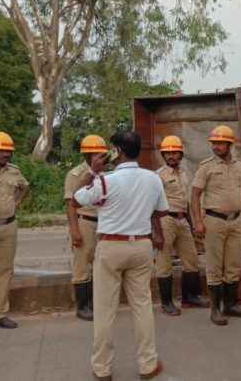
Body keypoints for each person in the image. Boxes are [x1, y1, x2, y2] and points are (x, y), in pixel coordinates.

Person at [72, 130, 167, 380]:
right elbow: (161, 211)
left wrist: (93, 171)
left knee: (105, 309)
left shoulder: (105, 181)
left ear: (118, 151)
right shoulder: (153, 178)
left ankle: (102, 368)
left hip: (111, 247)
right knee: (142, 306)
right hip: (141, 246)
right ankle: (147, 364)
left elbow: (77, 199)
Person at [191, 125, 241, 325]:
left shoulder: (240, 165)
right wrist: (198, 221)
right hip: (214, 221)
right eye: (214, 143)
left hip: (236, 221)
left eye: (220, 143)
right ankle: (215, 310)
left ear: (230, 144)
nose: (216, 146)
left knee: (234, 265)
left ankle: (231, 305)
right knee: (214, 266)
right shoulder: (207, 166)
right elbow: (195, 194)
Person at [155, 135, 209, 316]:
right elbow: (152, 204)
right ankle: (167, 303)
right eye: (167, 153)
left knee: (191, 259)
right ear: (163, 155)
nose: (171, 156)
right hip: (165, 220)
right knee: (164, 262)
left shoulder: (184, 173)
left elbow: (185, 201)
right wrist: (156, 232)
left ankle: (189, 297)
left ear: (180, 155)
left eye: (174, 153)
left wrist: (192, 224)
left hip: (182, 220)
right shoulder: (158, 176)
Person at [64, 134, 108, 322]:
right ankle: (82, 306)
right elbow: (70, 204)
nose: (100, 158)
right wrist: (75, 230)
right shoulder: (75, 174)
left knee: (100, 265)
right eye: (96, 155)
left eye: (102, 155)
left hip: (102, 223)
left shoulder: (105, 175)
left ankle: (94, 303)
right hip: (84, 221)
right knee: (82, 265)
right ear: (87, 155)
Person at [0, 131, 30, 329]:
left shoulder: (14, 171)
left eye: (8, 152)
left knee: (4, 271)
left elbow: (24, 187)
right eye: (1, 151)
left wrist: (16, 202)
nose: (5, 155)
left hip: (8, 226)